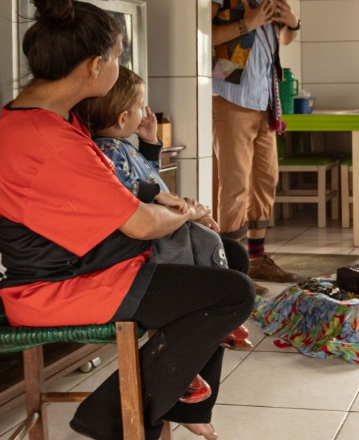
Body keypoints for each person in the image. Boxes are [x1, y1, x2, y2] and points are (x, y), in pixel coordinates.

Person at [0, 0, 254, 440]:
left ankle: (180, 401)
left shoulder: (42, 120)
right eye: (117, 56)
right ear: (93, 67)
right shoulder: (49, 139)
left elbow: (112, 192)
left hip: (84, 265)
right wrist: (181, 212)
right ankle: (113, 413)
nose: (119, 66)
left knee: (231, 258)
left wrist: (160, 203)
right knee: (231, 292)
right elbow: (141, 226)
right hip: (58, 289)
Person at [74, 66, 254, 354]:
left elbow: (147, 179)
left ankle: (211, 319)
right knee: (201, 247)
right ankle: (186, 333)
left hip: (162, 226)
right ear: (123, 118)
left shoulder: (121, 146)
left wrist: (148, 144)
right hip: (152, 237)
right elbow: (134, 192)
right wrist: (183, 209)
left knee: (213, 242)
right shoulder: (108, 150)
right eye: (138, 108)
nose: (144, 114)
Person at [211, 0, 301, 286]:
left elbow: (284, 41)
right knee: (234, 185)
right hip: (231, 95)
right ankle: (230, 269)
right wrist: (246, 24)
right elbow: (203, 35)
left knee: (266, 181)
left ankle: (257, 259)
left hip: (265, 99)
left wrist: (292, 23)